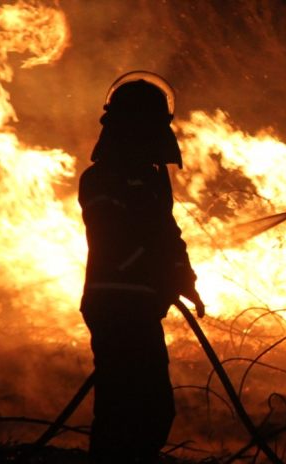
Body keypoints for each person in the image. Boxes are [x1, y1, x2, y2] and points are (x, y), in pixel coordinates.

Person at [78, 71, 205, 464]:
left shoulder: (150, 180)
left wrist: (184, 278)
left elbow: (167, 235)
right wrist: (156, 274)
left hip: (139, 307)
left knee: (152, 409)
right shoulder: (102, 180)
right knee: (124, 410)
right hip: (116, 306)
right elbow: (115, 240)